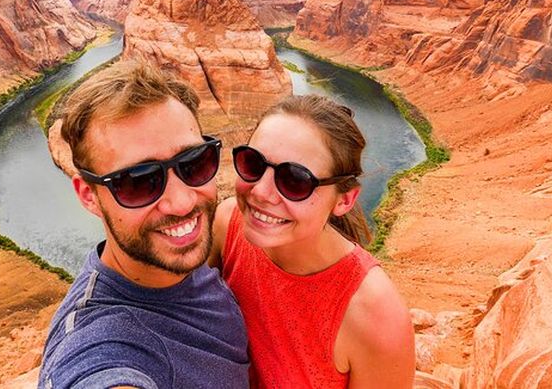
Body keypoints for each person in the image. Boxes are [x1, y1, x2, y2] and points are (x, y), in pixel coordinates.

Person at [39, 60, 249, 389]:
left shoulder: (181, 256)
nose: (182, 202)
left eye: (194, 162)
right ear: (89, 195)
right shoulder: (103, 345)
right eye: (138, 181)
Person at [210, 94, 415, 388]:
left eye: (295, 180)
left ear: (345, 200)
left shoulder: (375, 316)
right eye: (253, 163)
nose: (260, 192)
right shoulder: (227, 224)